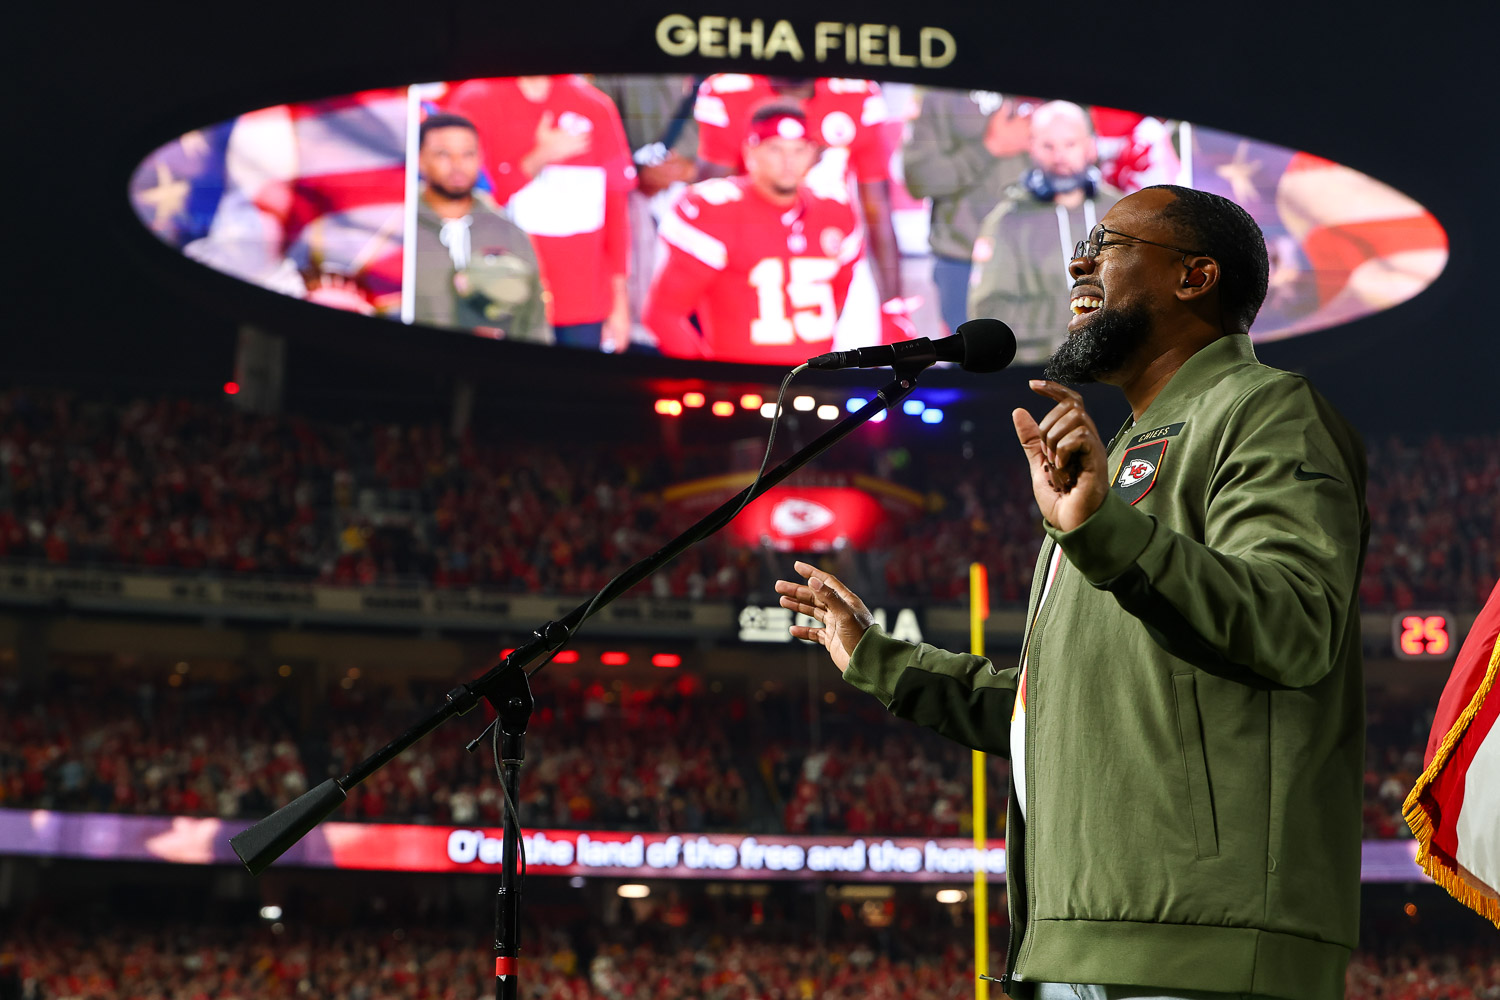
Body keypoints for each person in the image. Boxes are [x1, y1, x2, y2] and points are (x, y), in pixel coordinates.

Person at [777, 185, 1369, 1000]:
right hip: (1069, 949)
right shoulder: (1117, 451)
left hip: (1205, 949)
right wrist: (875, 659)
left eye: (1109, 241)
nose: (1078, 261)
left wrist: (1103, 532)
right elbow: (1051, 712)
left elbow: (1293, 627)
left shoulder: (1266, 410)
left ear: (1194, 277)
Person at [694, 75, 913, 346]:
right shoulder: (730, 89)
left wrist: (892, 306)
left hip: (833, 252)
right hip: (753, 258)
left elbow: (877, 208)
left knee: (845, 364)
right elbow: (708, 204)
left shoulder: (856, 92)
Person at [642, 104, 861, 364]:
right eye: (775, 149)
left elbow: (837, 299)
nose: (788, 161)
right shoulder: (716, 209)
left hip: (812, 385)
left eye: (799, 150)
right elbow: (663, 315)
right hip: (740, 386)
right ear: (750, 151)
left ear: (812, 154)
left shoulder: (835, 209)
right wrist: (708, 380)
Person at [443, 75, 635, 351]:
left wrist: (619, 303)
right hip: (501, 300)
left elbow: (615, 212)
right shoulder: (475, 101)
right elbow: (458, 203)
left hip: (582, 307)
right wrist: (536, 159)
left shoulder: (595, 105)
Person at [968, 101, 1122, 365]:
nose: (1059, 156)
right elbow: (988, 314)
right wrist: (1082, 309)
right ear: (1031, 147)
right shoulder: (1006, 221)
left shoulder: (1122, 211)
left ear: (1089, 147)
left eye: (1070, 144)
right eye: (1048, 146)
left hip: (1116, 368)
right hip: (1040, 370)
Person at [902, 89, 1032, 335]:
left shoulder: (1052, 76)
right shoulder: (940, 95)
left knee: (1048, 366)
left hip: (1042, 257)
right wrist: (990, 147)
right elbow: (920, 181)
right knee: (970, 365)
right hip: (962, 261)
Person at [411, 113, 550, 342]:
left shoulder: (509, 232)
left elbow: (535, 323)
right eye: (443, 154)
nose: (457, 165)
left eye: (468, 154)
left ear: (480, 158)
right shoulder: (398, 230)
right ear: (420, 159)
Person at [589, 74, 701, 353]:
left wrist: (692, 170)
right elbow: (593, 135)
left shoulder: (730, 83)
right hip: (635, 203)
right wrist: (637, 172)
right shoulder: (619, 77)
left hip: (700, 204)